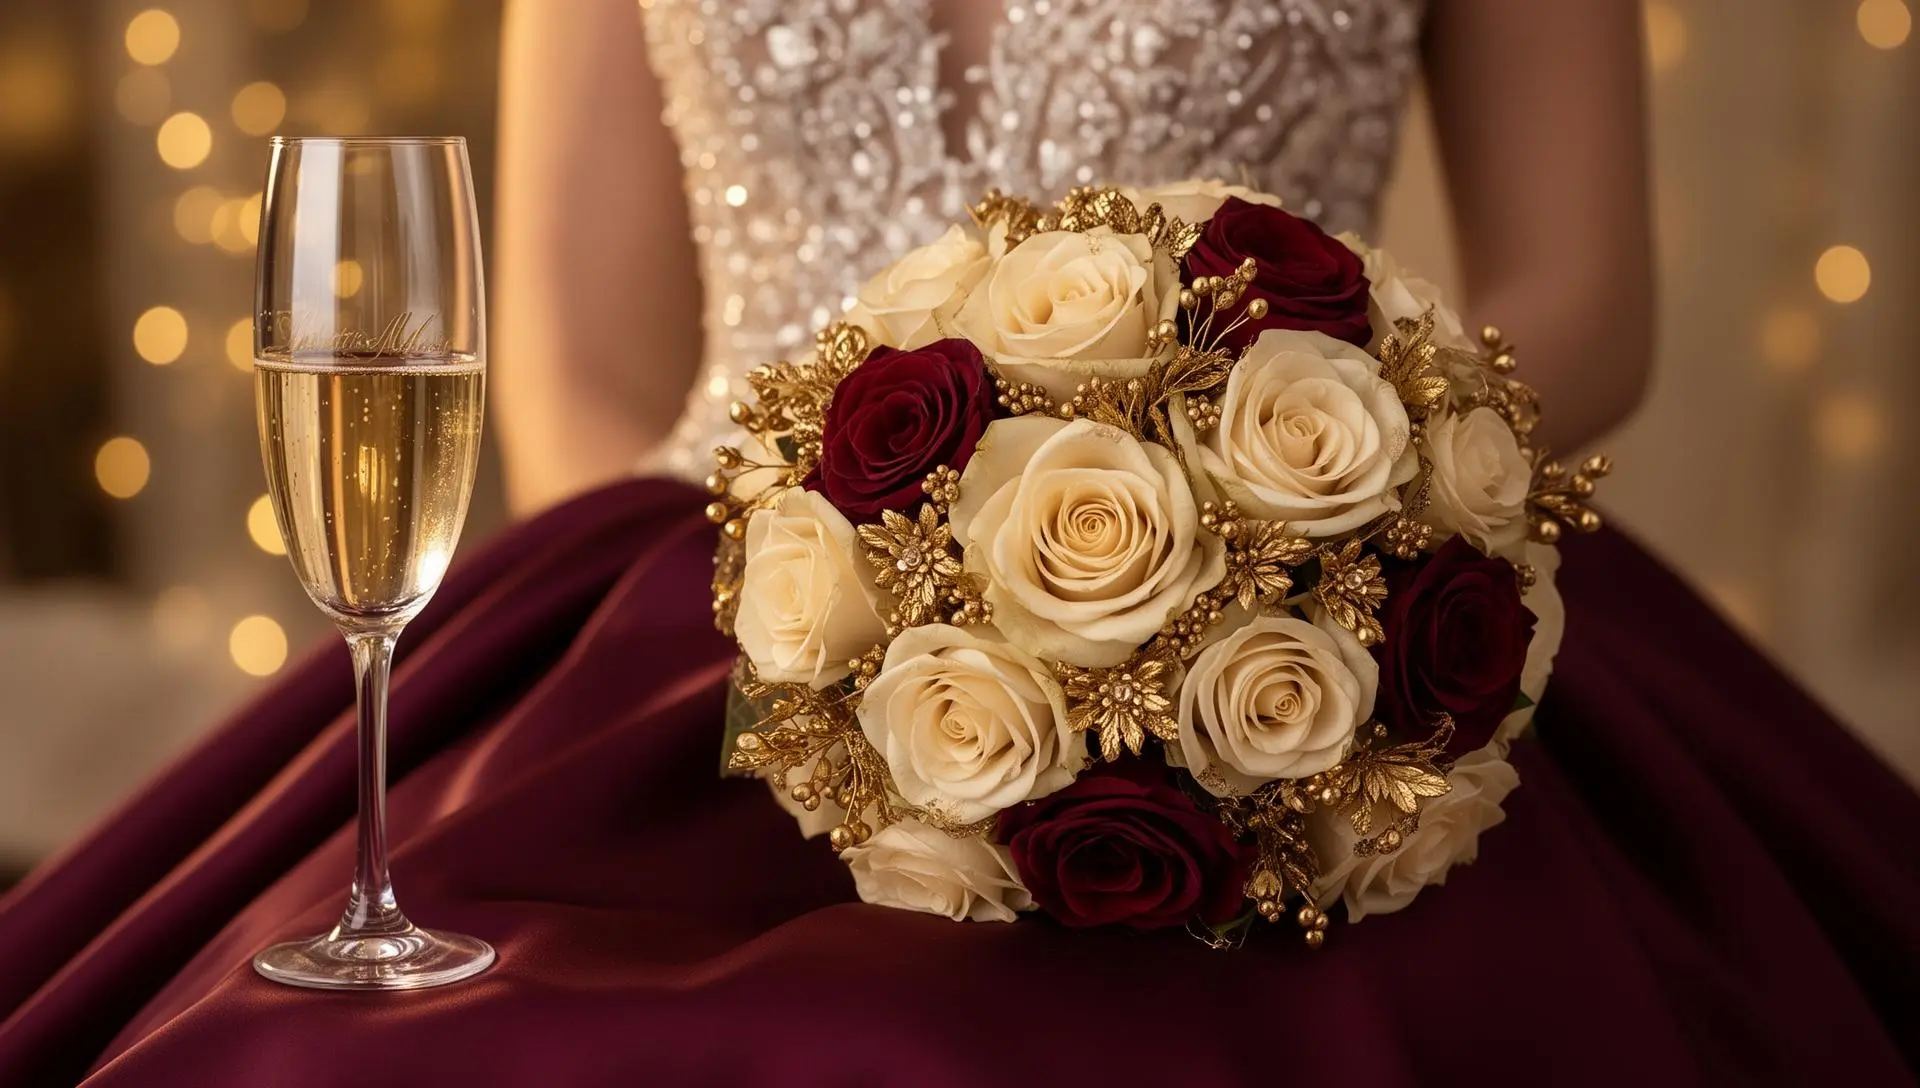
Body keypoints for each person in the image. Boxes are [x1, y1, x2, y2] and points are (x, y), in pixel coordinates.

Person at [0, 1, 1914, 1085]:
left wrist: (1249, 508)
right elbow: (584, 373)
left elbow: (1580, 308)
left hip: (1306, 590)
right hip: (718, 586)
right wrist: (831, 599)